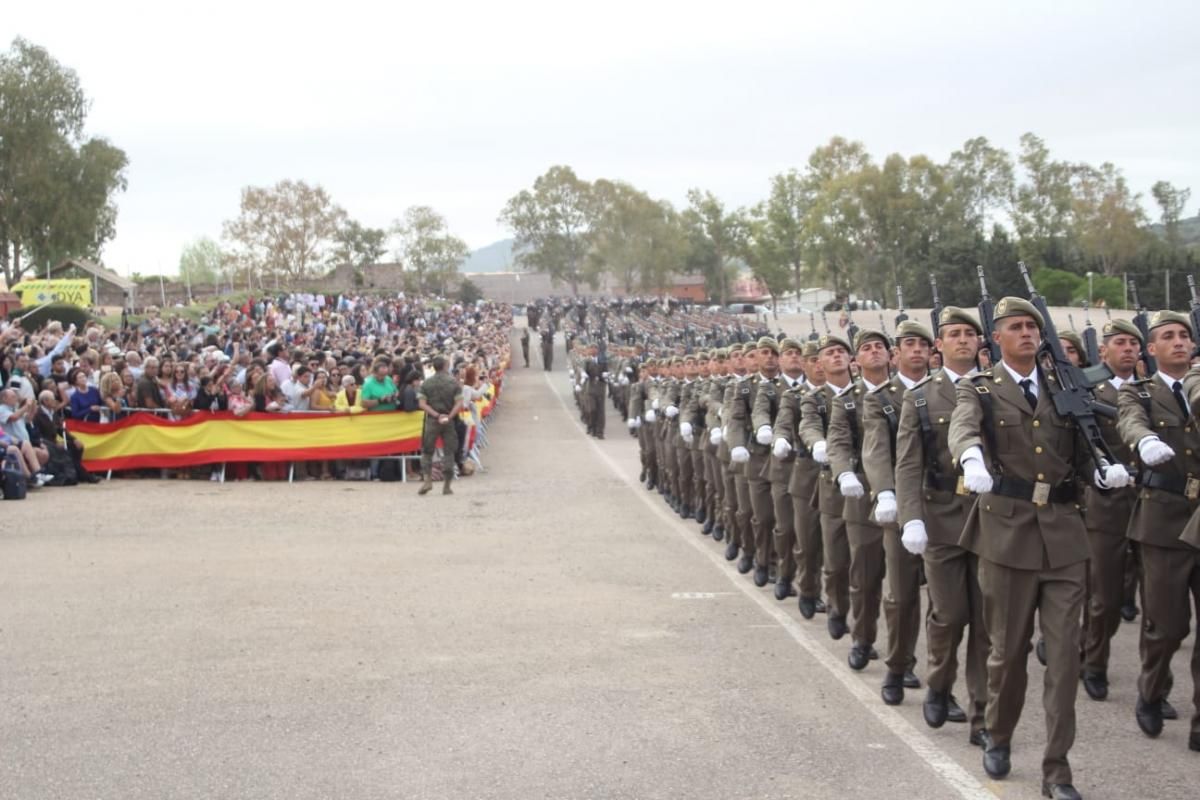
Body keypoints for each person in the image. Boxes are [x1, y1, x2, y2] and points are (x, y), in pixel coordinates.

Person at [949, 297, 1130, 800]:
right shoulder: (979, 387)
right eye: (1016, 327)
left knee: (1066, 658)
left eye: (1033, 326)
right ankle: (999, 734)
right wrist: (970, 458)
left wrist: (1105, 464)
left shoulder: (1065, 386)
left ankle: (1057, 769)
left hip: (1066, 534)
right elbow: (963, 426)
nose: (1027, 334)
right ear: (997, 339)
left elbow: (1099, 436)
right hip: (1006, 535)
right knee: (1007, 654)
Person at [895, 307, 987, 743]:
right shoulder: (919, 398)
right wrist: (911, 517)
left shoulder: (997, 389)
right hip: (943, 515)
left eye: (970, 333)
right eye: (954, 334)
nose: (963, 340)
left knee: (990, 622)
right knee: (950, 614)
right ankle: (939, 683)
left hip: (992, 517)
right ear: (940, 345)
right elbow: (908, 464)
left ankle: (984, 716)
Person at [1122, 310, 1200, 753]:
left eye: (1184, 336)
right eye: (1168, 337)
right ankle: (1152, 688)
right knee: (1167, 626)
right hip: (1165, 518)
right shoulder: (1141, 392)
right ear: (1150, 350)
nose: (1178, 342)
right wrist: (1144, 440)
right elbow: (1129, 420)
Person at [861, 320, 932, 705]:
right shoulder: (881, 398)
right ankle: (898, 664)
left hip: (947, 507)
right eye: (908, 344)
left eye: (923, 343)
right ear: (896, 354)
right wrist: (886, 494)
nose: (916, 349)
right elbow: (875, 450)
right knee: (902, 595)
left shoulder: (950, 393)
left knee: (946, 606)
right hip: (902, 507)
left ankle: (940, 684)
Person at [416, 355, 462, 496]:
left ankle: (428, 480)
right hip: (448, 421)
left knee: (427, 452)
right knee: (449, 452)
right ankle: (447, 486)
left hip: (432, 420)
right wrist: (449, 416)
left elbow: (422, 404)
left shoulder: (426, 383)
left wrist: (436, 415)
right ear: (445, 366)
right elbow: (459, 404)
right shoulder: (454, 383)